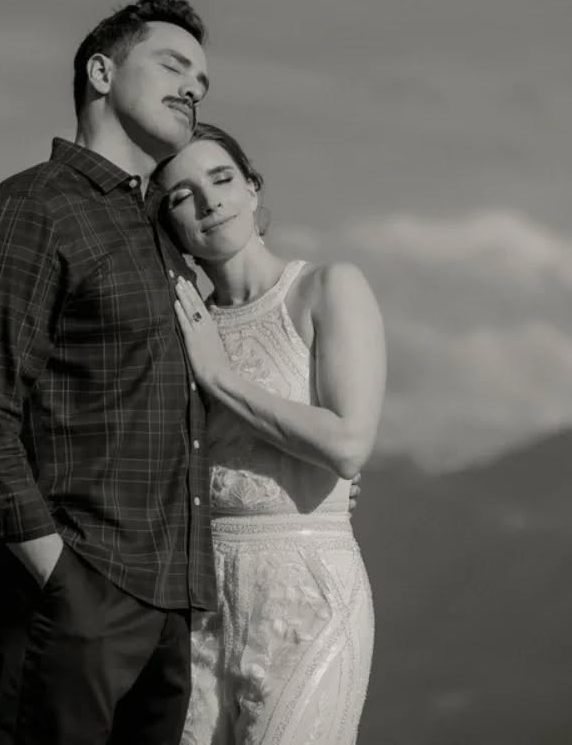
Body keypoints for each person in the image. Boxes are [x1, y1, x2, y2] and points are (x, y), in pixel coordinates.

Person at [0, 0, 215, 745]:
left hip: (167, 604)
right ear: (101, 72)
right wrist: (61, 579)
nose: (193, 88)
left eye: (202, 82)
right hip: (72, 592)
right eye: (174, 66)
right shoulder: (33, 209)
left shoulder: (162, 237)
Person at [153, 122, 386, 745]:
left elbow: (348, 445)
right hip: (198, 608)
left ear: (253, 188)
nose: (209, 201)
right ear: (170, 224)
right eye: (183, 196)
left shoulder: (326, 289)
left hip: (308, 596)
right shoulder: (182, 326)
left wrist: (219, 378)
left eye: (222, 178)